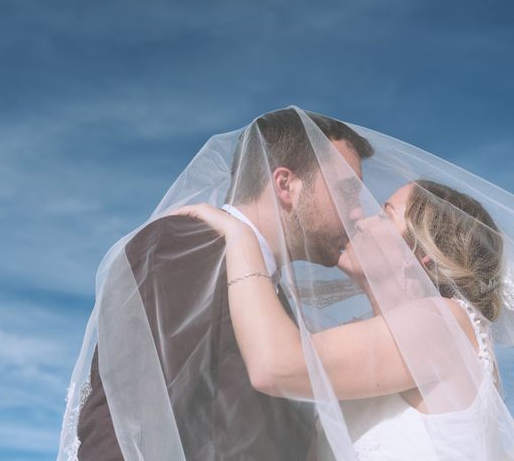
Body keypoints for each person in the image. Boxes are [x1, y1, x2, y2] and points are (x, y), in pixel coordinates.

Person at [58, 108, 374, 460]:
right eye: (348, 193)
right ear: (286, 185)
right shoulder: (187, 245)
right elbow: (125, 422)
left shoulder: (269, 300)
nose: (359, 212)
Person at [172, 178, 513, 459]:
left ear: (421, 255)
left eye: (384, 214)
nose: (359, 219)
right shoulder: (387, 343)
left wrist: (240, 238)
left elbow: (275, 366)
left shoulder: (441, 322)